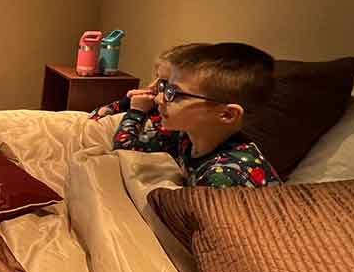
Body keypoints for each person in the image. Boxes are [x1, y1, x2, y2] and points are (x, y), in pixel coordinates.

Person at [113, 42, 280, 189]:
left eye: (175, 93)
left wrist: (136, 112)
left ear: (227, 114)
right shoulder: (187, 136)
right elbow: (127, 148)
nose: (158, 98)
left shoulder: (226, 178)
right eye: (165, 87)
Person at [90, 43, 204, 153]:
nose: (153, 85)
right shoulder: (153, 104)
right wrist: (125, 102)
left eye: (167, 84)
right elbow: (94, 117)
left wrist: (136, 112)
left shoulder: (173, 125)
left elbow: (124, 149)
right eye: (158, 79)